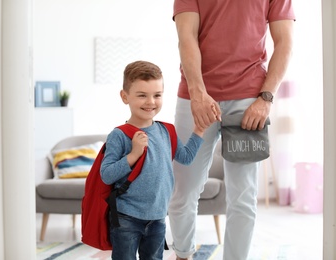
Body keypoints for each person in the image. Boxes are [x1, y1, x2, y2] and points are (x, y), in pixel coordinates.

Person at [168, 1, 296, 259]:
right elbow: (186, 37)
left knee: (243, 198)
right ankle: (182, 254)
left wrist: (266, 99)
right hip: (195, 97)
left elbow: (284, 42)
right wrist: (197, 94)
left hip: (250, 100)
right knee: (184, 189)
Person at [100, 60, 206, 260]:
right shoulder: (120, 135)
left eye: (157, 95)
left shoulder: (166, 130)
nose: (151, 102)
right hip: (126, 218)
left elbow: (185, 158)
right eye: (142, 95)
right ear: (125, 97)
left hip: (157, 217)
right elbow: (107, 175)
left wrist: (199, 131)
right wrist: (133, 155)